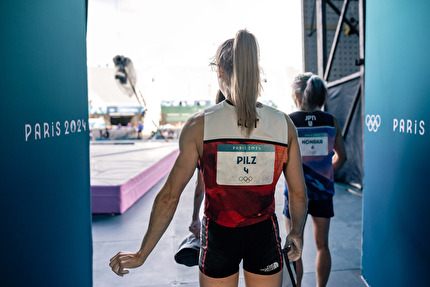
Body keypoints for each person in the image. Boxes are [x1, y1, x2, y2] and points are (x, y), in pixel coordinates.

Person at [109, 30, 308, 287]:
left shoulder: (199, 126)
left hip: (218, 238)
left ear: (220, 73)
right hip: (263, 234)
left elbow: (170, 195)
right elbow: (298, 194)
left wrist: (141, 253)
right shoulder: (283, 124)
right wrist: (297, 233)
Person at [283, 73, 347, 287]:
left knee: (294, 246)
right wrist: (326, 172)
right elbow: (342, 156)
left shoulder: (289, 121)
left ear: (297, 95)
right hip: (322, 193)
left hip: (294, 193)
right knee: (322, 246)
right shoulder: (331, 121)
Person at [189, 90, 226, 239]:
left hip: (217, 217)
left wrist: (194, 218)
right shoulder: (255, 132)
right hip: (254, 217)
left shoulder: (207, 134)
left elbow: (200, 186)